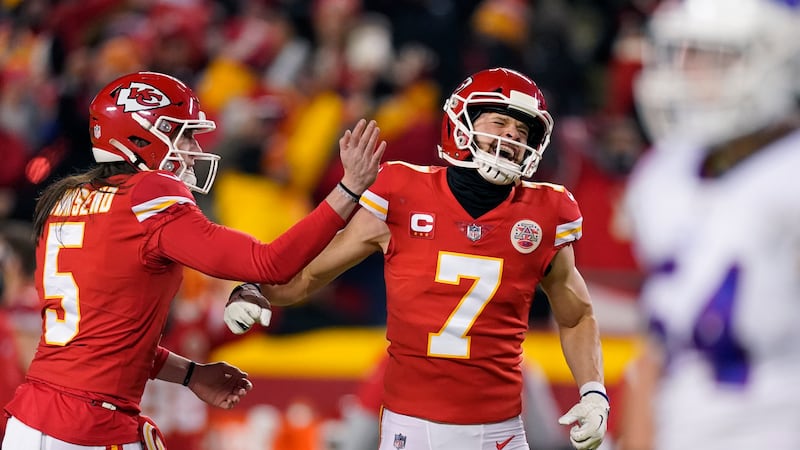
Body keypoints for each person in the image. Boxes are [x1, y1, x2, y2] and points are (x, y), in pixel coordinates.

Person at [224, 67, 609, 450]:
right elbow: (310, 275)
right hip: (412, 428)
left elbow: (576, 315)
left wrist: (593, 392)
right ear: (461, 125)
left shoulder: (546, 213)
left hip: (500, 432)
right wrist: (256, 291)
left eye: (522, 131)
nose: (512, 136)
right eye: (500, 122)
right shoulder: (402, 192)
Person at [1, 71, 385, 449]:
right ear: (140, 136)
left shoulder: (67, 199)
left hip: (32, 420)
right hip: (88, 428)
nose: (193, 148)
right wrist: (348, 190)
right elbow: (270, 263)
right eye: (183, 134)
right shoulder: (147, 195)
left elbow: (103, 341)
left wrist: (190, 375)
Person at [616, 1, 800, 449]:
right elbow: (659, 352)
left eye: (715, 56)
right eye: (686, 53)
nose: (690, 72)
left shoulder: (788, 179)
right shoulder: (665, 174)